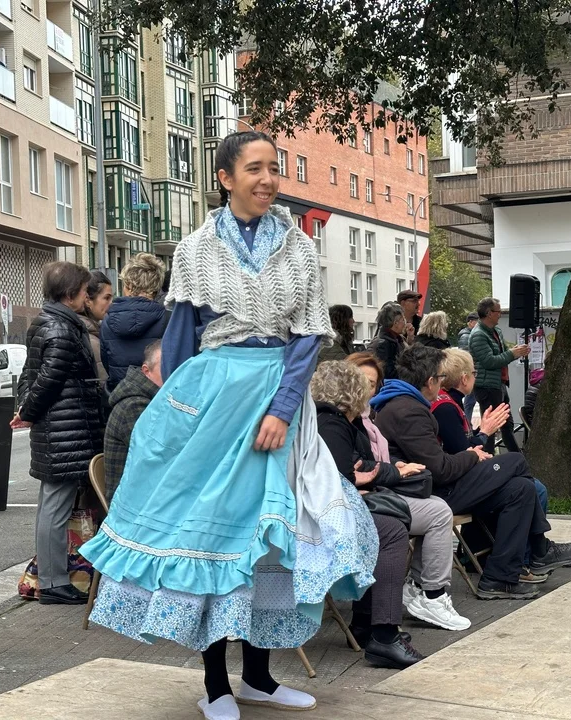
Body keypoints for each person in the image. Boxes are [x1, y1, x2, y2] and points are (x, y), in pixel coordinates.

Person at [77, 131, 377, 720]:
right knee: (212, 538)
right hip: (213, 397)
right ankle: (216, 684)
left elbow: (308, 338)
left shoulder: (299, 246)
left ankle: (259, 677)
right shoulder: (194, 249)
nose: (268, 179)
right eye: (255, 168)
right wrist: (179, 414)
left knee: (269, 540)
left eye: (274, 168)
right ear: (225, 177)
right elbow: (182, 337)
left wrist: (282, 409)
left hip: (278, 397)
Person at [372, 344, 571, 601]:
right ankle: (540, 550)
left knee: (521, 489)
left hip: (430, 486)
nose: (442, 383)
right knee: (516, 461)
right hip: (429, 493)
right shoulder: (409, 411)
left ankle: (499, 578)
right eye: (440, 377)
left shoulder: (406, 404)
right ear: (430, 381)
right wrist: (474, 453)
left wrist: (475, 447)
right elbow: (441, 469)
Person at [310, 361, 435, 664]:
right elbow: (336, 480)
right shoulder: (333, 424)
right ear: (352, 392)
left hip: (312, 511)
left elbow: (342, 472)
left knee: (382, 525)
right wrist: (356, 480)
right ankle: (384, 635)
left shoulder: (325, 419)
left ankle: (366, 624)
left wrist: (358, 478)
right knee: (390, 531)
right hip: (315, 521)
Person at [346, 352, 471, 633]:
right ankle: (429, 596)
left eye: (372, 384)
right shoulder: (343, 418)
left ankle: (415, 592)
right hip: (355, 501)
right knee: (433, 514)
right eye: (361, 381)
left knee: (437, 506)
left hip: (375, 492)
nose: (367, 389)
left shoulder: (366, 415)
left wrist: (395, 465)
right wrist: (394, 470)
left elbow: (369, 460)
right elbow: (352, 467)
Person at [14, 262, 106, 606]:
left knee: (50, 506)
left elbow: (31, 375)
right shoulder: (62, 328)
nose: (87, 296)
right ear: (70, 294)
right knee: (55, 508)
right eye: (83, 291)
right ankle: (53, 582)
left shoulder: (46, 322)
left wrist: (27, 410)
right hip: (66, 430)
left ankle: (51, 579)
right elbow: (48, 379)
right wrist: (28, 412)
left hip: (57, 430)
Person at [103, 340, 163, 505]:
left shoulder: (148, 399)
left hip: (143, 493)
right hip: (130, 503)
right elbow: (157, 457)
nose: (171, 373)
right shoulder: (135, 406)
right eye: (164, 368)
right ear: (146, 370)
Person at [100, 253, 168, 393]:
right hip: (156, 395)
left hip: (121, 395)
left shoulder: (108, 320)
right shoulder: (167, 318)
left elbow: (106, 361)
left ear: (128, 285)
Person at [468, 297, 529, 453]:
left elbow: (502, 354)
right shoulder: (478, 335)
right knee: (491, 428)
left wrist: (515, 351)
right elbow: (489, 361)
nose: (500, 314)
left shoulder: (496, 331)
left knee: (507, 424)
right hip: (487, 387)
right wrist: (512, 353)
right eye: (498, 311)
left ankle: (517, 458)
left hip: (499, 384)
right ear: (489, 313)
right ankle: (488, 459)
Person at [78, 270, 114, 390]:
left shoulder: (90, 331)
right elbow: (103, 384)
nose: (111, 303)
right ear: (88, 301)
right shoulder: (90, 339)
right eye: (106, 298)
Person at [368, 303, 407, 382]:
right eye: (403, 320)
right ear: (395, 323)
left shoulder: (395, 339)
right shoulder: (384, 344)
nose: (405, 323)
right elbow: (389, 373)